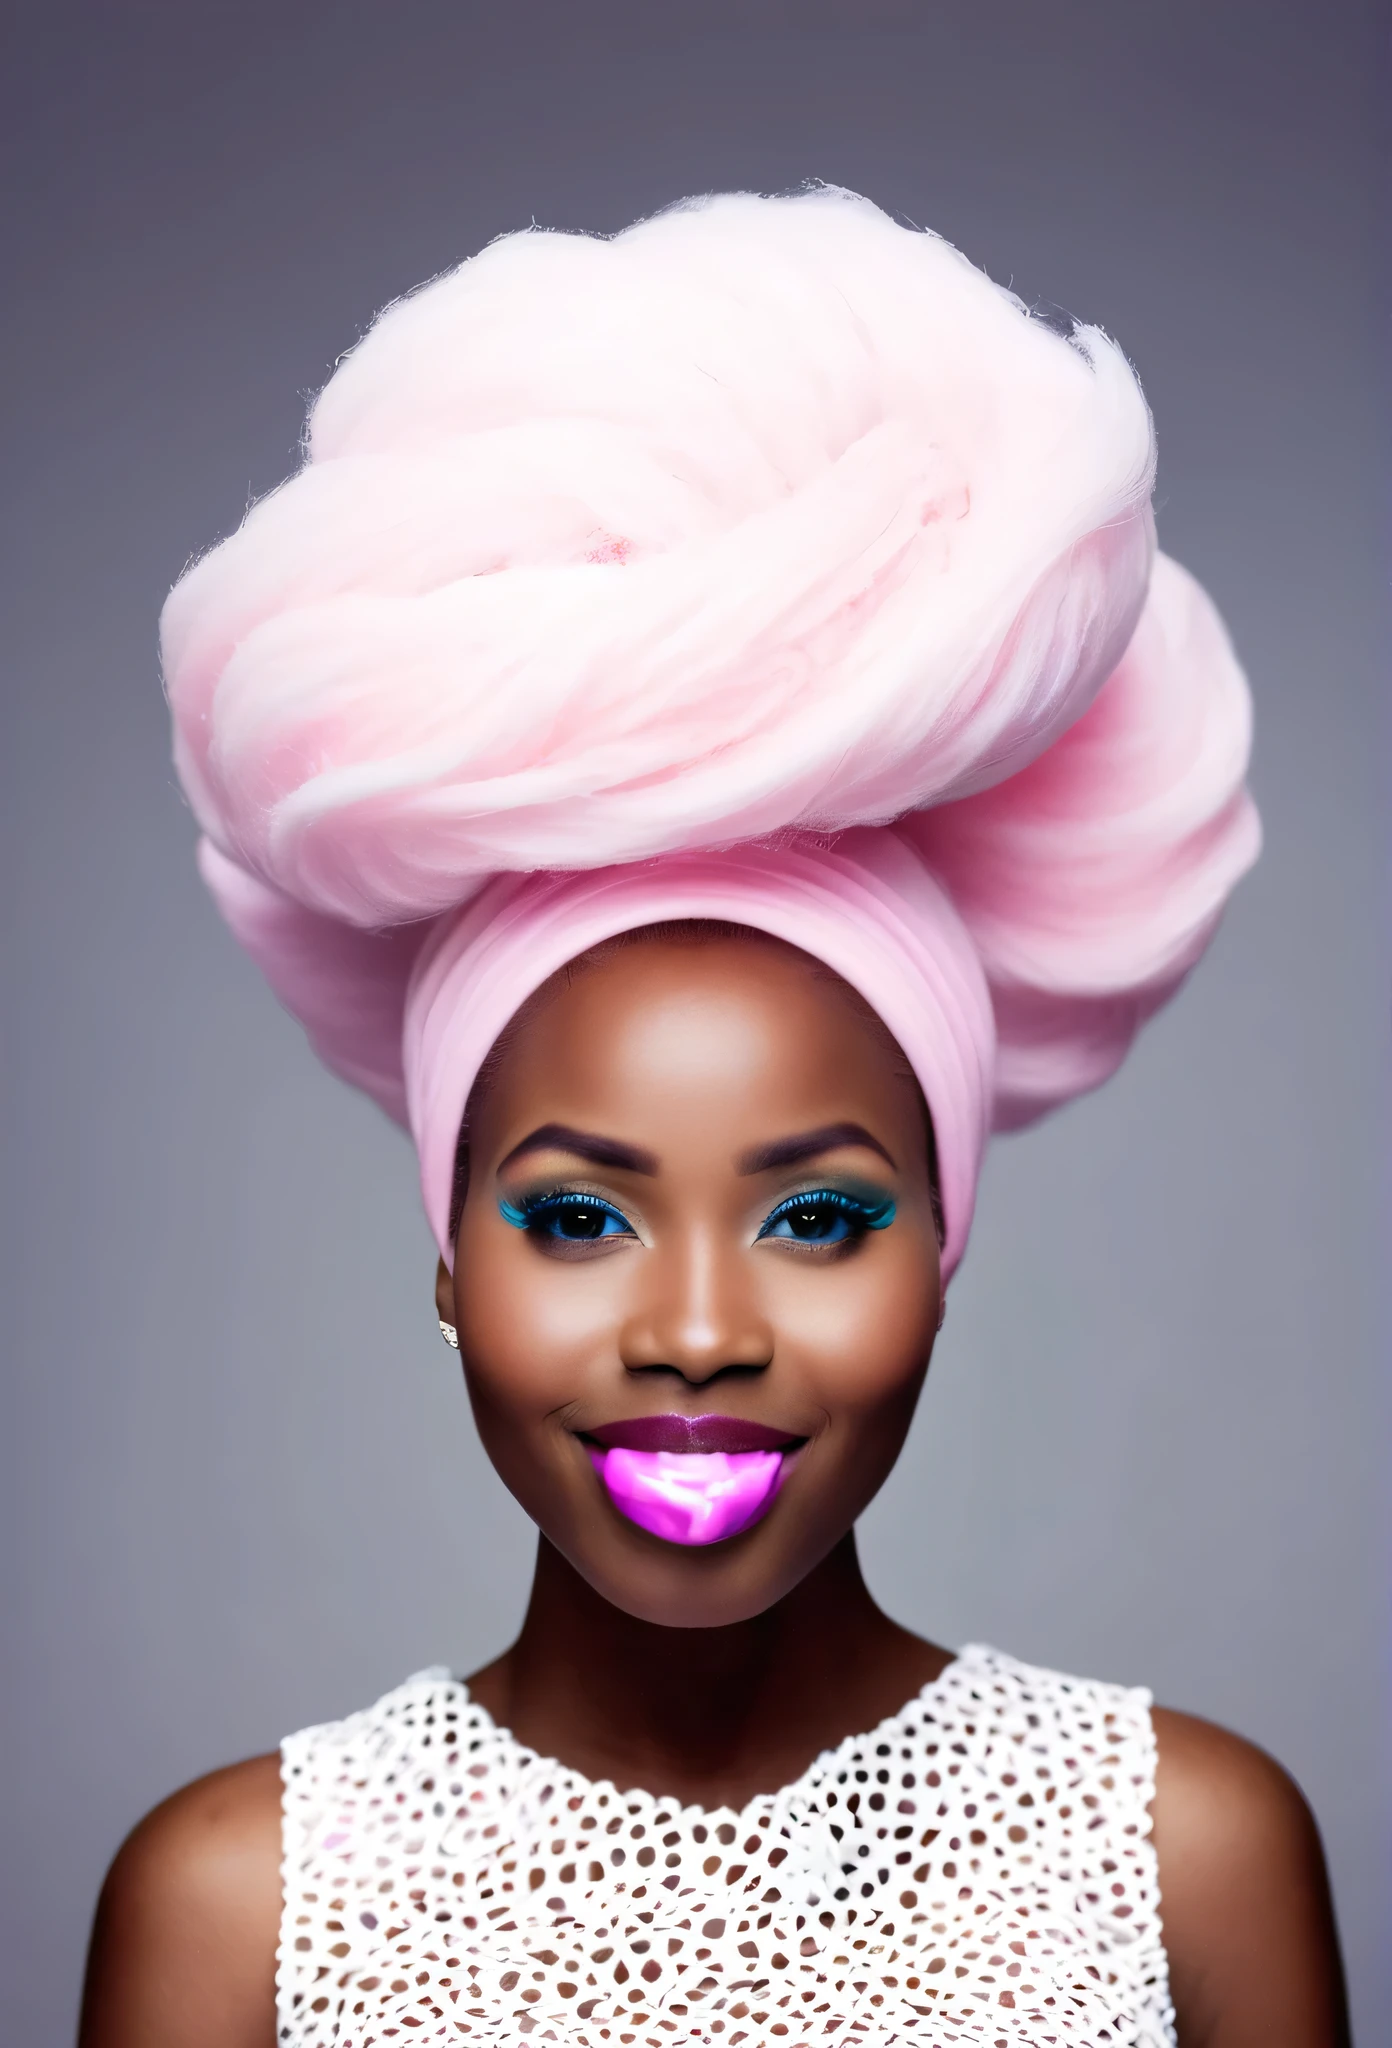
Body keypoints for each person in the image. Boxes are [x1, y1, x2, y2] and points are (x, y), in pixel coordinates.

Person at [79, 189, 1348, 2048]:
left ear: (945, 1249)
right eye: (578, 1218)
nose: (693, 1333)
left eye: (817, 1218)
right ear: (446, 1260)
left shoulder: (1189, 1860)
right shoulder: (233, 1912)